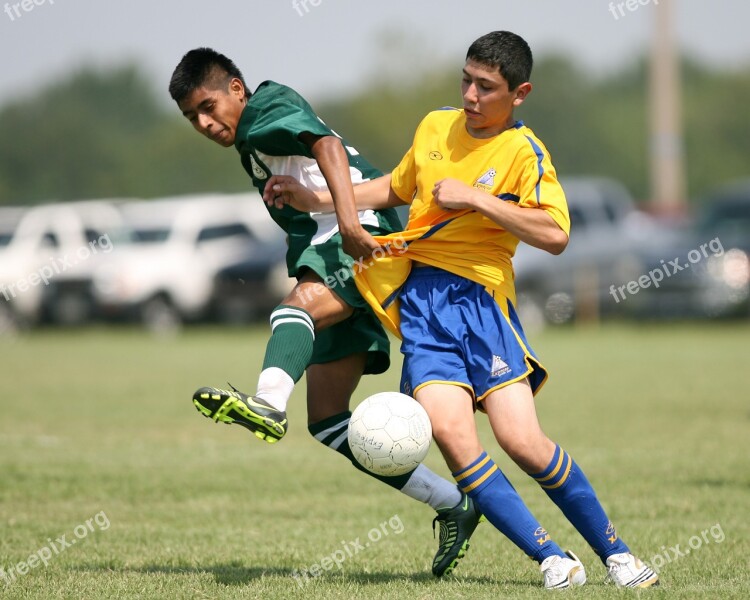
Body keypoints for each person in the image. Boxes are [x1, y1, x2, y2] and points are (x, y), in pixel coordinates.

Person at [268, 31, 659, 590]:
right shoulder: (434, 125)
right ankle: (551, 558)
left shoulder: (525, 153)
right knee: (453, 439)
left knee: (523, 442)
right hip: (424, 307)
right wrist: (320, 200)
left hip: (481, 304)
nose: (471, 95)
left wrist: (479, 199)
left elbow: (556, 234)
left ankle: (617, 554)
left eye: (487, 87)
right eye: (466, 80)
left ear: (519, 93)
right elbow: (394, 188)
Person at [167, 48, 482, 577]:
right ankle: (453, 503)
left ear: (237, 90)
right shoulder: (253, 140)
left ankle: (267, 404)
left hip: (354, 238)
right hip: (337, 239)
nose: (204, 122)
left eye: (208, 105)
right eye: (192, 117)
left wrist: (348, 219)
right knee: (329, 420)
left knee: (295, 311)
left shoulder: (266, 108)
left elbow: (328, 145)